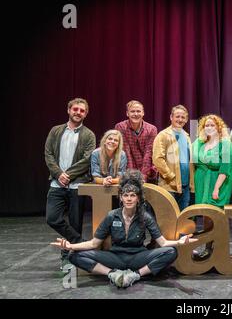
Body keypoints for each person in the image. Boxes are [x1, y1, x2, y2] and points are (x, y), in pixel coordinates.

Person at [50, 170, 197, 289]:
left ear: (138, 199)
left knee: (171, 252)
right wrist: (70, 246)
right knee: (73, 256)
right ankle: (112, 274)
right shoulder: (112, 216)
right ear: (120, 198)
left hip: (138, 257)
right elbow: (94, 243)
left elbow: (163, 243)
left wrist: (180, 242)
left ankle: (136, 275)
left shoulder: (145, 217)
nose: (129, 199)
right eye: (125, 195)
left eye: (133, 195)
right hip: (116, 258)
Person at [45, 98, 96, 269]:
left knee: (75, 223)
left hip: (76, 185)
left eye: (82, 110)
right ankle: (78, 241)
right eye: (75, 109)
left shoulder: (89, 135)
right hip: (56, 183)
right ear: (68, 110)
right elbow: (48, 155)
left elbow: (87, 159)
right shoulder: (55, 131)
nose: (78, 112)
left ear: (86, 114)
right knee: (52, 218)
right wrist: (59, 174)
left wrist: (68, 175)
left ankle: (69, 257)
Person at [192, 114, 232, 258]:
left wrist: (216, 188)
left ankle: (219, 249)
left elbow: (225, 168)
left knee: (216, 214)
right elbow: (195, 163)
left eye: (212, 125)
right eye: (206, 125)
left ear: (218, 127)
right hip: (202, 182)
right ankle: (208, 248)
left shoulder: (225, 143)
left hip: (220, 181)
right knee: (206, 215)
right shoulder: (199, 142)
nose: (209, 128)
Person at [153, 105, 194, 211]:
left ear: (186, 119)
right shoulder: (163, 135)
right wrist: (170, 176)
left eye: (183, 117)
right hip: (169, 185)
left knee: (183, 218)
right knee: (168, 218)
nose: (180, 119)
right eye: (177, 116)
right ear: (171, 117)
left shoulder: (187, 136)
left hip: (185, 186)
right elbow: (158, 159)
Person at [115, 100, 157, 183]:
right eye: (132, 111)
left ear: (143, 113)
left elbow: (148, 153)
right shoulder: (121, 127)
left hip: (147, 172)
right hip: (128, 172)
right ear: (127, 113)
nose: (136, 114)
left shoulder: (152, 129)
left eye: (138, 111)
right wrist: (131, 176)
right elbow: (126, 152)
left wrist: (143, 176)